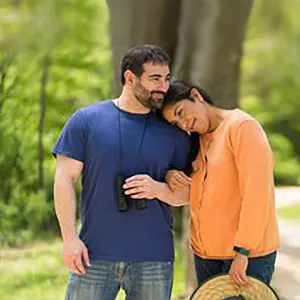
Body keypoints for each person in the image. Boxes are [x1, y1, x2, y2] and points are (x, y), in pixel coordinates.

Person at [52, 45, 191, 300]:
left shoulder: (175, 134)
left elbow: (189, 194)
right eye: (155, 79)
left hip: (154, 259)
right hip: (93, 255)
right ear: (130, 78)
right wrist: (70, 239)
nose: (164, 86)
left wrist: (158, 189)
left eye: (167, 78)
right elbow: (64, 179)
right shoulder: (85, 121)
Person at [162, 80, 280, 287]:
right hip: (206, 257)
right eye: (175, 123)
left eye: (180, 113)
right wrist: (171, 174)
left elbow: (257, 194)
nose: (183, 124)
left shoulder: (242, 127)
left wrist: (243, 252)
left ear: (196, 96)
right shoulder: (197, 142)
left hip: (246, 257)